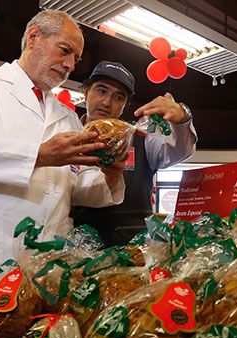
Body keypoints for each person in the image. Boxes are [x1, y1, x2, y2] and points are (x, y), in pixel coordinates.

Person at [0, 10, 126, 332]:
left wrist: (111, 175)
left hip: (45, 272)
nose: (71, 64)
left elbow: (77, 186)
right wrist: (39, 155)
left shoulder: (67, 117)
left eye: (76, 57)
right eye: (65, 50)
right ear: (34, 38)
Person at [70, 61, 197, 246]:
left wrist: (182, 118)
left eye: (118, 97)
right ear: (86, 92)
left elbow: (179, 151)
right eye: (101, 90)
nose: (106, 102)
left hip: (132, 254)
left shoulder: (140, 138)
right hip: (77, 250)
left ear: (125, 106)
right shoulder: (67, 136)